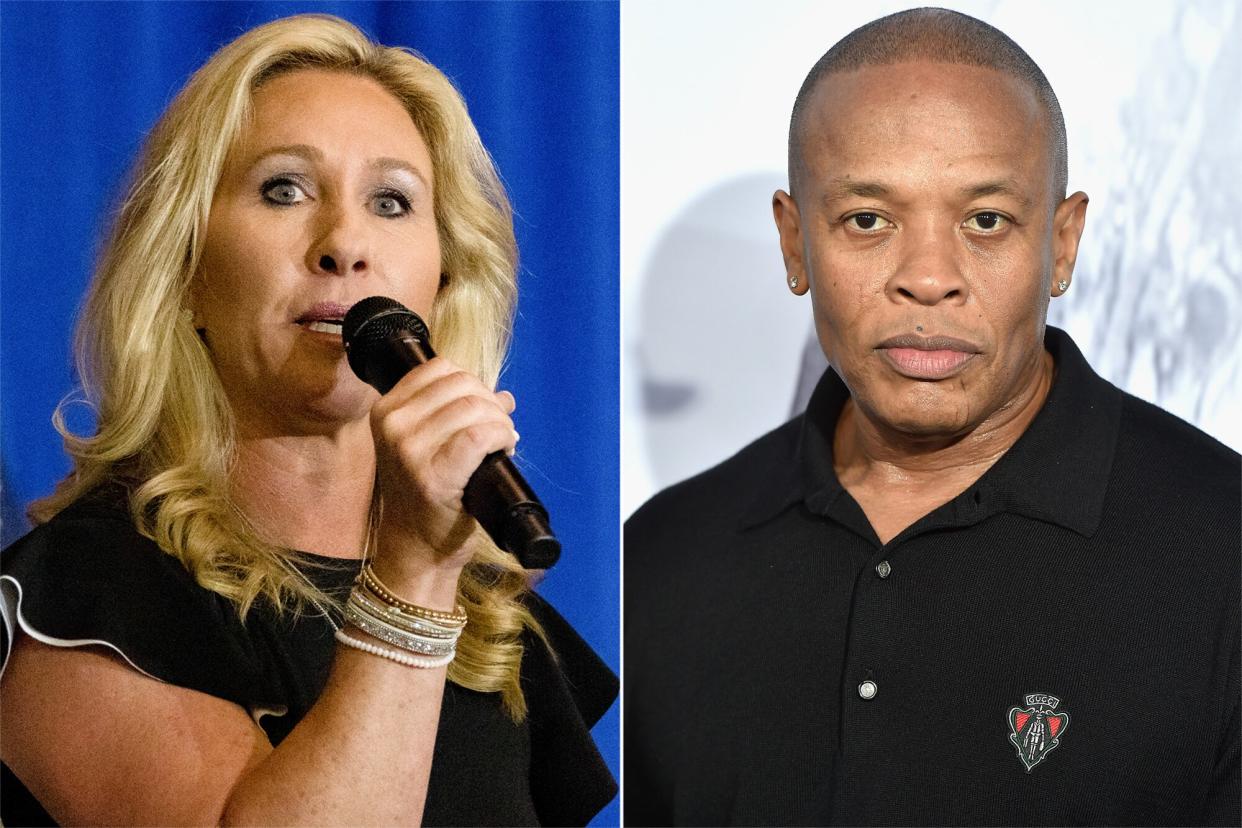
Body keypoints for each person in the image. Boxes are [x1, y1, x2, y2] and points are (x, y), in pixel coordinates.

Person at [624, 7, 1239, 826]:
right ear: (795, 243)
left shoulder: (1225, 548)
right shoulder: (663, 558)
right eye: (868, 220)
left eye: (985, 221)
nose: (928, 278)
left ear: (1061, 245)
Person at [0, 14, 616, 826]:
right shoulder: (87, 599)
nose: (345, 244)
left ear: (442, 278)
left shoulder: (493, 628)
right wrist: (410, 581)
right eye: (283, 189)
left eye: (392, 201)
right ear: (184, 271)